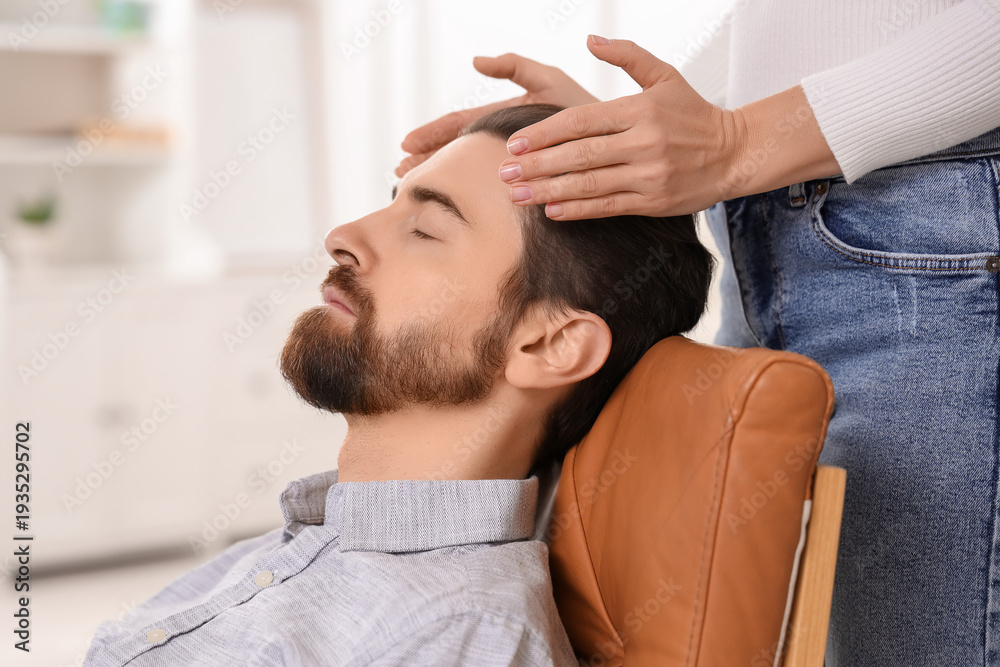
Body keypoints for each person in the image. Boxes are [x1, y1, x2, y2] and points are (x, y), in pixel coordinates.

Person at [395, 10, 1000, 666]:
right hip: (764, 215)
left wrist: (737, 141)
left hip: (931, 229)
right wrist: (631, 136)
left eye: (425, 229)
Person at [82, 104, 713, 667]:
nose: (344, 237)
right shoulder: (308, 544)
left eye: (425, 230)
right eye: (391, 202)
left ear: (549, 345)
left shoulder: (461, 631)